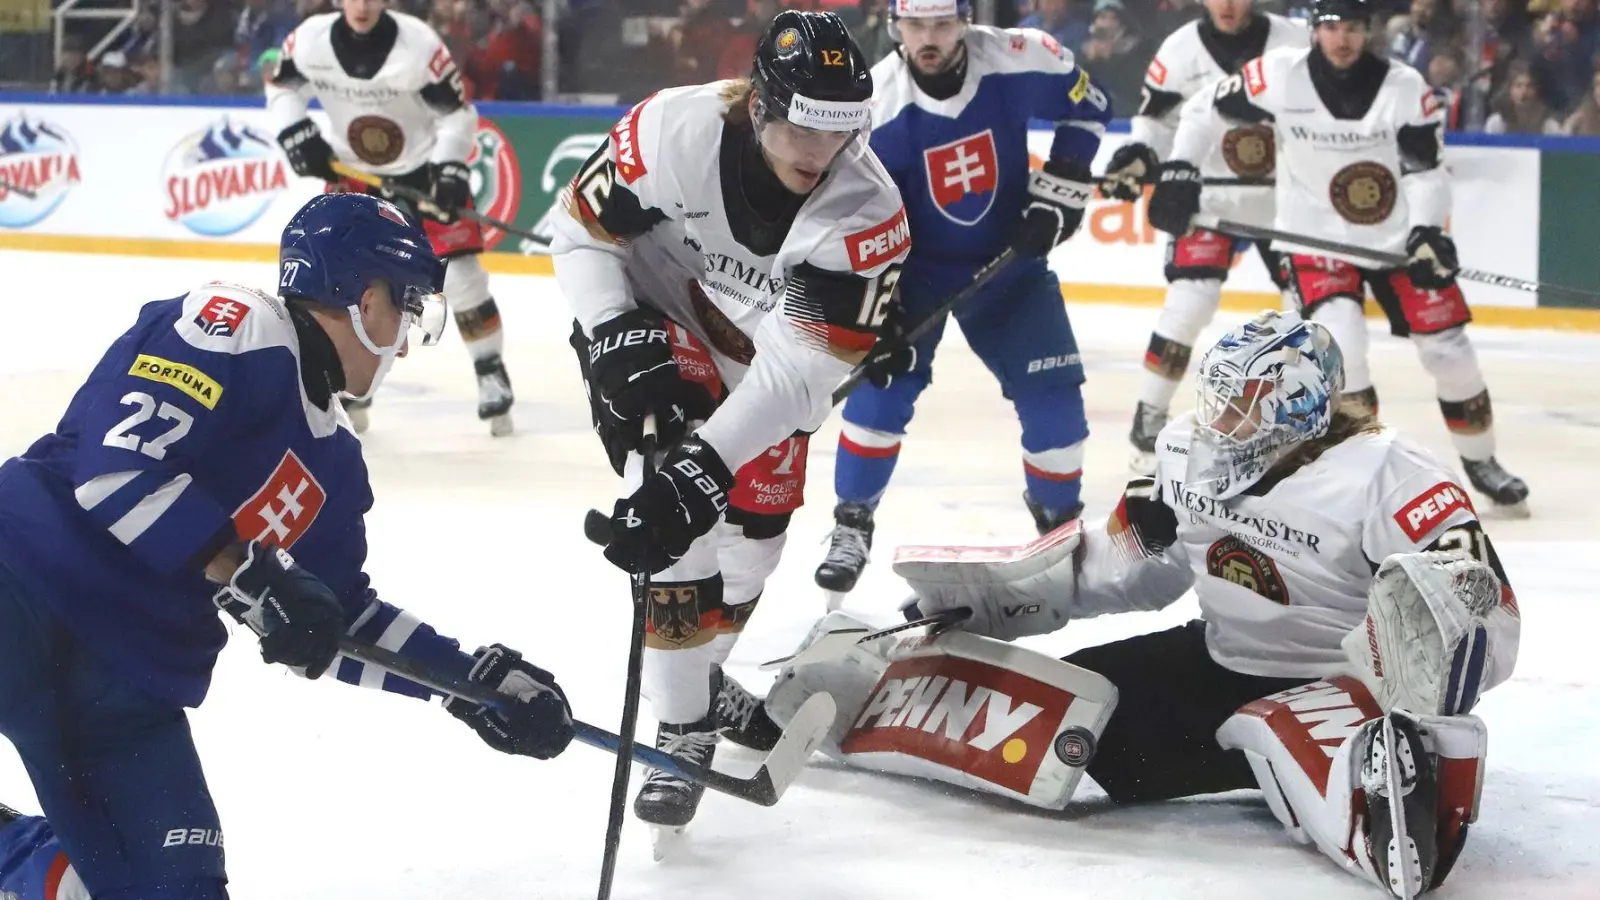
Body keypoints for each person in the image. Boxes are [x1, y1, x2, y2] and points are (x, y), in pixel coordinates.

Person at [769, 309, 1520, 897]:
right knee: (1056, 727)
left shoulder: (1392, 474)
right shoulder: (1185, 451)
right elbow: (1134, 575)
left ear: (1296, 408)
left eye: (1244, 406)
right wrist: (995, 601)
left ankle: (1390, 775)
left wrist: (1438, 653)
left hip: (1340, 686)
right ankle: (875, 687)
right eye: (1218, 400)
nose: (1221, 421)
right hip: (1218, 662)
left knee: (1314, 766)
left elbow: (1487, 611)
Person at [0, 193, 573, 900]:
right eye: (406, 308)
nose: (402, 338)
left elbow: (338, 619)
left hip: (125, 674)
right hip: (23, 581)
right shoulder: (234, 325)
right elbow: (118, 472)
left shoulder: (334, 462)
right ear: (366, 299)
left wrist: (469, 684)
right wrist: (243, 568)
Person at [548, 10, 908, 848]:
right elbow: (580, 231)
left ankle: (701, 678)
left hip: (767, 361)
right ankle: (682, 731)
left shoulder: (867, 212)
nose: (822, 156)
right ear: (760, 104)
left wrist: (713, 465)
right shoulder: (671, 130)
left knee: (757, 535)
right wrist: (609, 330)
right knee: (672, 511)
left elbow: (797, 376)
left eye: (844, 129)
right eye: (805, 129)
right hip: (655, 317)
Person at [1146, 0, 1531, 513]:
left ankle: (1482, 461)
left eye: (1353, 28)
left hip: (1396, 242)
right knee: (1344, 353)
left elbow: (1424, 168)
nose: (1342, 39)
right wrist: (1180, 170)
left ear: (1369, 31)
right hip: (1314, 243)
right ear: (1314, 30)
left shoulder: (1404, 87)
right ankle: (1366, 477)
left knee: (1449, 351)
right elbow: (1201, 110)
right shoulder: (1277, 75)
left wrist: (1426, 232)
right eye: (1332, 28)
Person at [813, 0, 1112, 601]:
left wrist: (1059, 193)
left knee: (1057, 409)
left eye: (942, 24)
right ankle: (851, 523)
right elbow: (845, 218)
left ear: (966, 20)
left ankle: (1059, 527)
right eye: (915, 25)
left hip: (1009, 267)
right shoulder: (874, 111)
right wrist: (878, 302)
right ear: (895, 24)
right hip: (913, 273)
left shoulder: (1021, 57)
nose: (927, 38)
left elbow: (1092, 107)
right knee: (880, 397)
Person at [266, 0, 516, 436]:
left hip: (419, 175)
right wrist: (293, 129)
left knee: (461, 278)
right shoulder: (309, 41)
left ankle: (490, 367)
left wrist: (450, 166)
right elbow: (281, 86)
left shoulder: (418, 46)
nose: (362, 6)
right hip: (354, 177)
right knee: (350, 285)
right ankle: (352, 382)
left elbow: (456, 112)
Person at [1100, 0, 1305, 473]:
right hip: (1209, 201)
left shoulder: (1295, 42)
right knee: (1189, 303)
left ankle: (1302, 417)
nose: (1229, 5)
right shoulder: (1179, 50)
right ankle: (1149, 414)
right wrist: (1138, 157)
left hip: (1286, 202)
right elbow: (1154, 123)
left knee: (1306, 312)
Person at [1485, 59, 1564, 132]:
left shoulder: (1548, 124)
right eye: (1518, 86)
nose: (1524, 92)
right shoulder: (1497, 123)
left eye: (1530, 86)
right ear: (1509, 89)